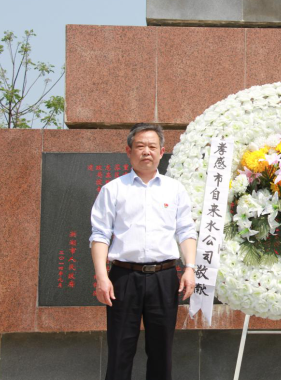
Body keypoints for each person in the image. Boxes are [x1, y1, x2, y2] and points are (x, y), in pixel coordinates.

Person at [90, 123, 198, 380]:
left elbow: (186, 231)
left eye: (152, 146)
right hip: (124, 278)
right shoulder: (113, 189)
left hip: (164, 277)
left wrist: (190, 268)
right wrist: (102, 277)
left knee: (162, 352)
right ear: (129, 151)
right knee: (120, 350)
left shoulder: (174, 189)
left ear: (162, 152)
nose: (146, 151)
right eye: (140, 146)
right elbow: (100, 235)